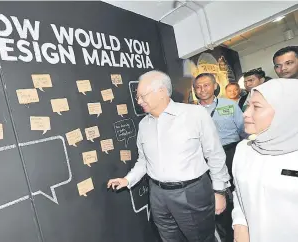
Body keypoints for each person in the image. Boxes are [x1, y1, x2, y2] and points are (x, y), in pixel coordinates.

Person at [107, 70, 231, 242]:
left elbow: (215, 155)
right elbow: (144, 160)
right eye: (137, 97)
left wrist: (219, 191)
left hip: (191, 192)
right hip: (157, 195)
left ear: (162, 91)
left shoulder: (195, 114)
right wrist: (127, 180)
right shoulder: (144, 125)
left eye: (143, 96)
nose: (139, 101)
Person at [232, 79, 298, 242]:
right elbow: (239, 193)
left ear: (286, 111)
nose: (245, 113)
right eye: (248, 105)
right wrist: (240, 225)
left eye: (257, 107)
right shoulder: (243, 149)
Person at [194, 73, 246, 242]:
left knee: (239, 192)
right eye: (198, 87)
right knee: (217, 195)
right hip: (206, 158)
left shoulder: (230, 105)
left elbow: (243, 130)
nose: (202, 90)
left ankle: (244, 227)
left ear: (215, 86)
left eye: (206, 85)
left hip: (231, 152)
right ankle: (226, 235)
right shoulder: (191, 112)